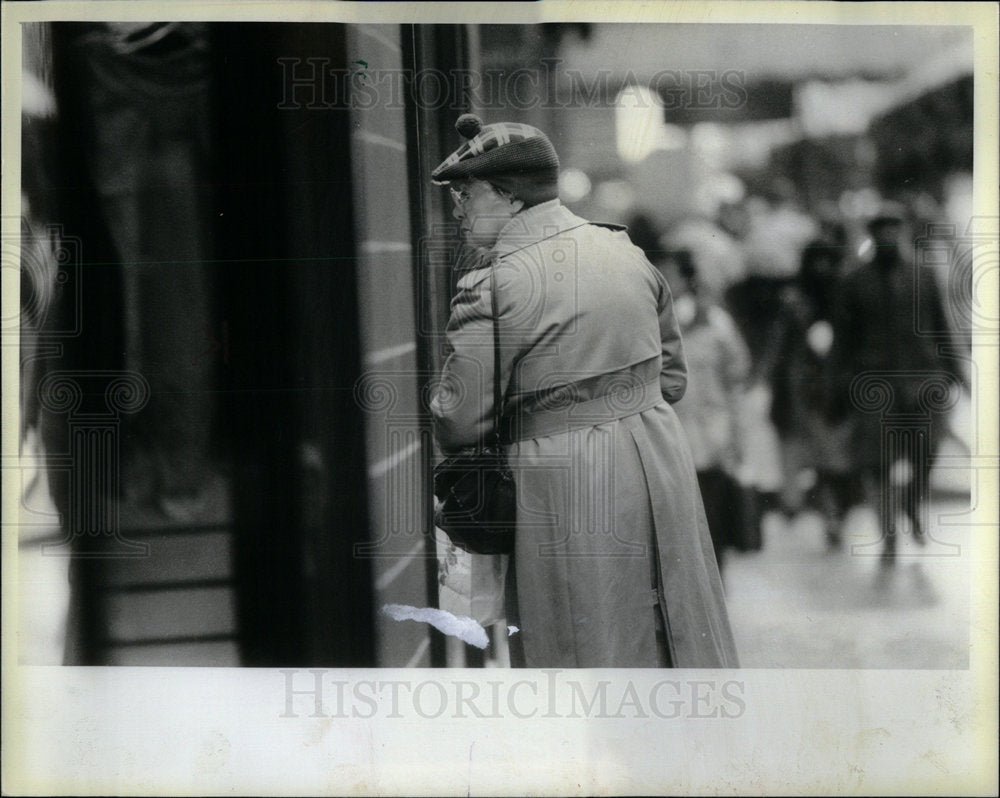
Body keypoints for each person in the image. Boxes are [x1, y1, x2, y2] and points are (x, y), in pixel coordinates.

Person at [429, 114, 739, 668]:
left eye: (466, 193)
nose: (458, 208)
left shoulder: (492, 282)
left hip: (560, 478)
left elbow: (459, 421)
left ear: (509, 195)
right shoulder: (629, 254)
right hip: (657, 459)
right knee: (675, 625)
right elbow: (672, 377)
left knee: (580, 642)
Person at [826, 202, 958, 578]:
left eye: (893, 227)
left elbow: (942, 326)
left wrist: (956, 373)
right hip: (875, 384)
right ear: (872, 233)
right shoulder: (854, 281)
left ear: (902, 231)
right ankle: (888, 536)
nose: (887, 234)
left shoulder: (923, 275)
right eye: (880, 228)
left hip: (921, 380)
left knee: (928, 450)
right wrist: (837, 388)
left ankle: (913, 501)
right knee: (878, 464)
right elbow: (842, 342)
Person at [659, 249, 751, 574]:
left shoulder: (715, 323)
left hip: (711, 432)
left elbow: (737, 377)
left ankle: (715, 579)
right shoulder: (650, 322)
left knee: (711, 514)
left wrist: (737, 436)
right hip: (669, 434)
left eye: (671, 274)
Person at [767, 222, 856, 549]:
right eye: (817, 261)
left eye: (828, 261)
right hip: (803, 390)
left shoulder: (845, 295)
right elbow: (779, 348)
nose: (822, 268)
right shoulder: (794, 301)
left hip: (836, 390)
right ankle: (830, 516)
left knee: (836, 463)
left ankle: (834, 515)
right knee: (821, 461)